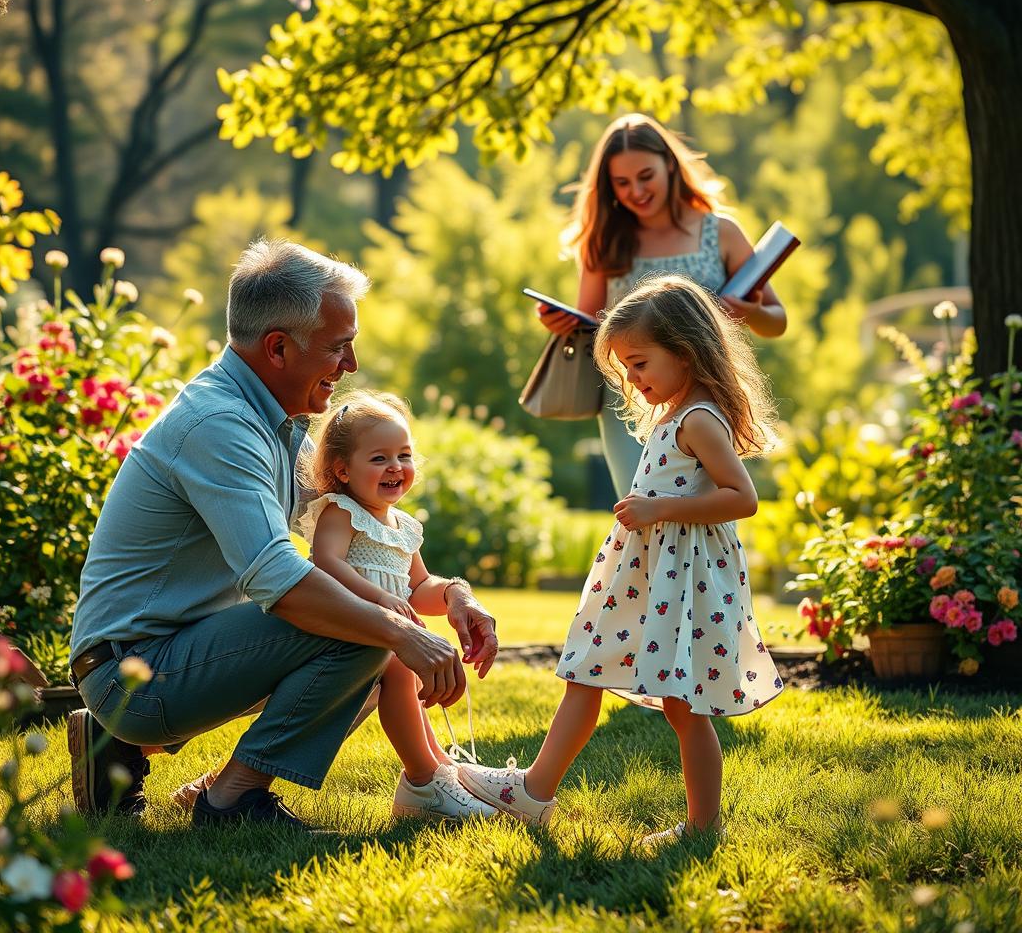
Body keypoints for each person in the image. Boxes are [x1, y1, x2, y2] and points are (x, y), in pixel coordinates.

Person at [66, 238, 498, 827]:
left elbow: (373, 540)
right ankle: (233, 799)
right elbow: (280, 579)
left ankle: (144, 758)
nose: (349, 366)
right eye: (338, 348)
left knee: (371, 631)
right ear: (277, 348)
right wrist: (401, 631)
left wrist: (455, 595)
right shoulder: (221, 425)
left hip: (178, 651)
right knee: (370, 632)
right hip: (133, 670)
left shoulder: (281, 421)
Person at [458, 276, 784, 840]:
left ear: (685, 352)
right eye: (624, 368)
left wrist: (659, 509)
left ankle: (701, 826)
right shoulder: (675, 412)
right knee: (583, 669)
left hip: (679, 577)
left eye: (639, 364)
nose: (632, 379)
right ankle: (535, 791)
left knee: (685, 707)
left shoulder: (699, 419)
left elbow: (743, 498)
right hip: (645, 572)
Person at [175, 390, 497, 821]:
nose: (396, 467)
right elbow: (325, 562)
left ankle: (439, 766)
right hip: (342, 628)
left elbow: (418, 585)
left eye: (404, 455)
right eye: (379, 458)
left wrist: (457, 594)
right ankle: (422, 778)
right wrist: (381, 599)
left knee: (403, 672)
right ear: (343, 470)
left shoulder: (403, 526)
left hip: (380, 631)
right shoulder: (340, 511)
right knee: (399, 668)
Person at [537, 113, 787, 499]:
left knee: (708, 511)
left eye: (645, 176)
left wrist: (749, 311)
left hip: (704, 399)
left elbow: (777, 320)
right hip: (631, 403)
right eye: (622, 183)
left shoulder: (720, 233)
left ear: (670, 164)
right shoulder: (604, 242)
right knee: (640, 514)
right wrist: (563, 324)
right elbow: (592, 325)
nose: (636, 190)